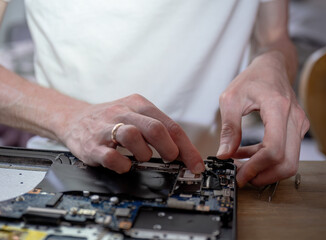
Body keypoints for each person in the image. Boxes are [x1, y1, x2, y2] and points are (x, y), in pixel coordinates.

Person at [0, 0, 309, 187]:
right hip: (64, 168)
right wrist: (71, 118)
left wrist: (275, 62)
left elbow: (275, 37)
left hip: (202, 176)